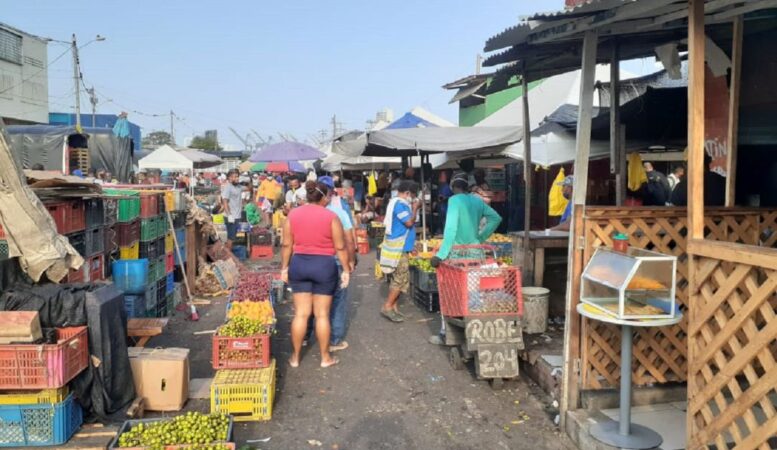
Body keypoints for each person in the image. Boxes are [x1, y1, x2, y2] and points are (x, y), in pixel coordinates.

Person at [281, 180, 350, 368]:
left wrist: (284, 268)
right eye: (327, 196)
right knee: (322, 315)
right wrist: (345, 269)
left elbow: (287, 244)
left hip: (299, 264)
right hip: (324, 266)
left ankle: (295, 357)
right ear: (322, 196)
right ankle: (325, 358)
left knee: (301, 314)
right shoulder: (331, 217)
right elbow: (340, 246)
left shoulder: (293, 215)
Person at [428, 173, 501, 344]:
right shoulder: (476, 201)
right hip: (476, 253)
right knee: (474, 291)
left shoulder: (454, 201)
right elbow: (496, 218)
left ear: (453, 187)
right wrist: (480, 238)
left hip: (457, 255)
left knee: (450, 293)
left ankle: (446, 333)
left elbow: (451, 228)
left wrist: (440, 254)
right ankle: (475, 330)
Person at [303, 175, 356, 352]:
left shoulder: (300, 213)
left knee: (309, 300)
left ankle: (304, 336)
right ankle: (334, 340)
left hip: (306, 261)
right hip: (332, 261)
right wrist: (349, 261)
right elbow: (347, 241)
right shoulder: (337, 213)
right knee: (337, 301)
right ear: (328, 193)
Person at [380, 180, 421, 323]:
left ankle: (394, 308)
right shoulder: (400, 205)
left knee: (399, 278)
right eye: (414, 195)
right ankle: (387, 306)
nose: (414, 198)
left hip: (403, 247)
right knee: (400, 278)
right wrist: (415, 208)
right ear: (408, 193)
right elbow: (409, 222)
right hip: (399, 248)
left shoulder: (398, 203)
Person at [221, 169, 243, 250]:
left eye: (237, 176)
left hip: (236, 215)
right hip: (231, 216)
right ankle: (228, 258)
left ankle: (227, 255)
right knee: (231, 238)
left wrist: (248, 182)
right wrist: (229, 215)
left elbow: (248, 188)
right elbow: (225, 202)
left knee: (231, 238)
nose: (236, 178)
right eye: (234, 177)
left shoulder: (238, 186)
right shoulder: (228, 187)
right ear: (229, 178)